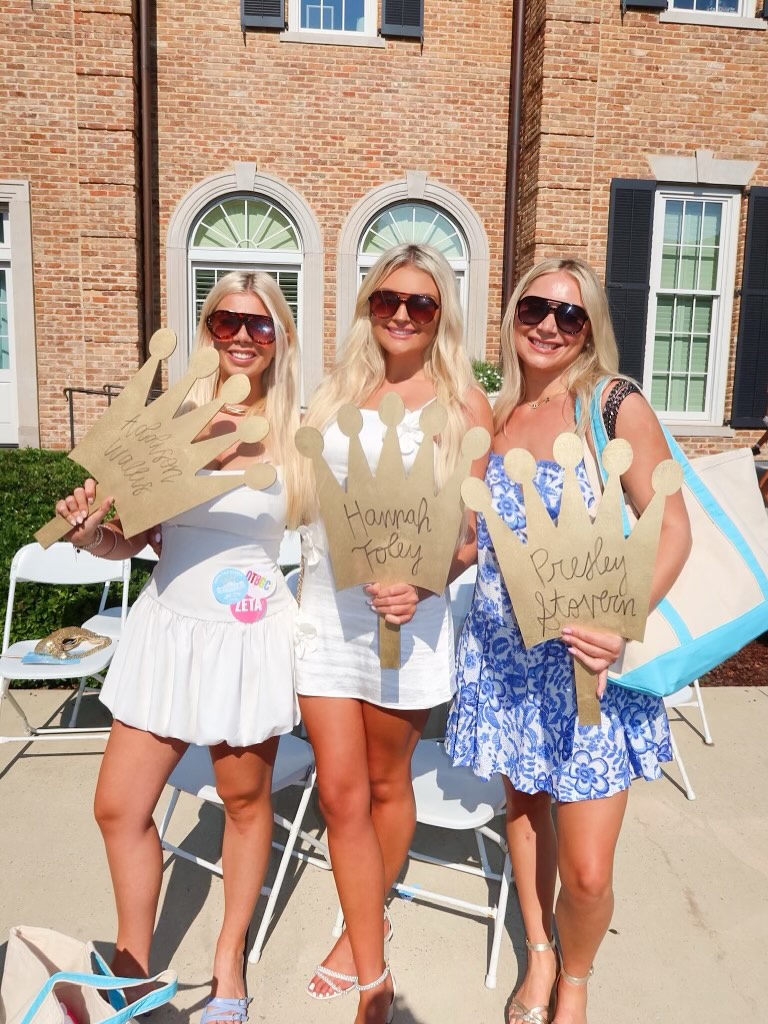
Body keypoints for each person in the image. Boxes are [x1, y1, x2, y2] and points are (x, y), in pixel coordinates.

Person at [446, 257, 692, 1024]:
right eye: (535, 308)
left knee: (587, 872)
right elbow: (470, 544)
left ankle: (576, 977)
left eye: (569, 314)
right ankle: (541, 952)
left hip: (590, 673)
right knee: (524, 813)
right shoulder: (493, 417)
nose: (549, 325)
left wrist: (621, 623)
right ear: (512, 315)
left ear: (590, 330)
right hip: (506, 663)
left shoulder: (612, 405)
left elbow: (673, 530)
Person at [54, 271, 302, 1024]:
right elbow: (126, 539)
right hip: (167, 629)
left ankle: (228, 961)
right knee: (117, 807)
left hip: (248, 636)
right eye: (227, 321)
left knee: (244, 802)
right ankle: (134, 967)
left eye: (260, 324)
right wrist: (89, 535)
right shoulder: (171, 424)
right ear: (207, 329)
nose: (243, 337)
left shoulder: (298, 431)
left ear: (280, 336)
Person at [295, 242, 493, 1024]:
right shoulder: (334, 392)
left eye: (420, 303)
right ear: (367, 308)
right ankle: (374, 972)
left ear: (441, 315)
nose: (402, 315)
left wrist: (424, 582)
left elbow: (471, 538)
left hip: (409, 621)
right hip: (327, 612)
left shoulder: (465, 404)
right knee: (338, 793)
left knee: (384, 784)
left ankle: (362, 927)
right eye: (388, 300)